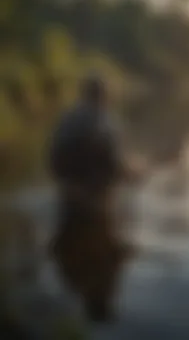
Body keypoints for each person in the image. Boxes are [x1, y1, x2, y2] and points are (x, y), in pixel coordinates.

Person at [48, 75, 145, 322]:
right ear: (105, 98)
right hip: (94, 199)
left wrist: (67, 184)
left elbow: (53, 157)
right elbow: (117, 164)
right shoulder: (106, 122)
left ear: (83, 94)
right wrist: (135, 173)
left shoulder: (67, 118)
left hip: (68, 193)